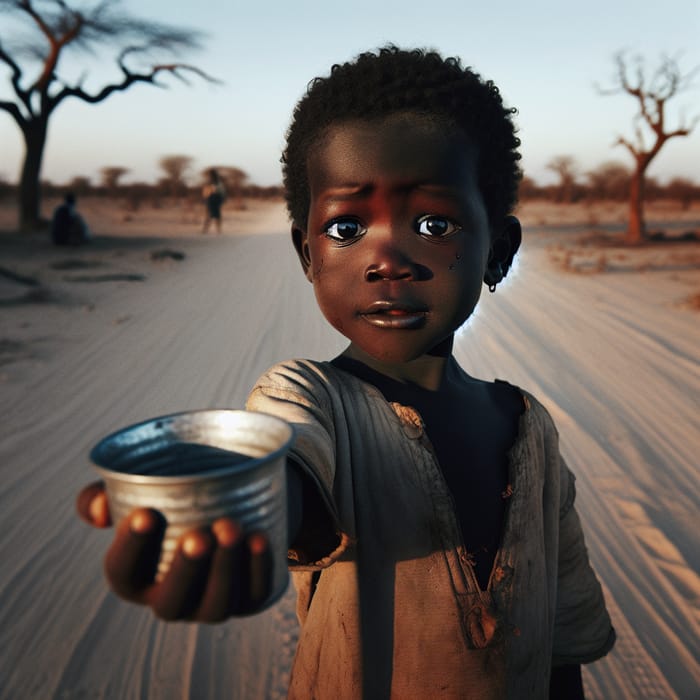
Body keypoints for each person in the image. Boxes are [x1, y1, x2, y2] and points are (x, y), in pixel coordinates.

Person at [77, 47, 615, 698]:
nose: (387, 258)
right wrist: (242, 513)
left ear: (497, 253)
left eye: (433, 223)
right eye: (348, 226)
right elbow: (285, 456)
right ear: (309, 254)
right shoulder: (311, 396)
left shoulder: (531, 428)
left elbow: (564, 645)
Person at [201, 168, 226, 234]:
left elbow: (206, 193)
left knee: (212, 216)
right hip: (212, 200)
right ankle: (208, 230)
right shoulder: (215, 183)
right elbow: (206, 193)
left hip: (213, 200)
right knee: (213, 216)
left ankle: (215, 230)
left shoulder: (216, 183)